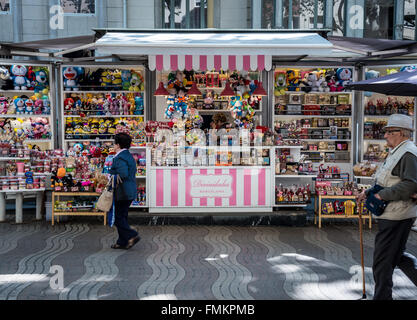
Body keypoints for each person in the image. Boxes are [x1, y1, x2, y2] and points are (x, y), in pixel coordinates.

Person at [357, 114, 417, 300]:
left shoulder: (408, 153)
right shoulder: (398, 150)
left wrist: (382, 194)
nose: (385, 136)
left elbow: (410, 184)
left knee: (382, 261)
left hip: (398, 214)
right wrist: (369, 192)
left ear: (402, 133)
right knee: (395, 256)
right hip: (393, 213)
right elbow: (388, 179)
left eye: (389, 132)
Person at [109, 132, 140, 250]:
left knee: (118, 218)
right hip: (129, 190)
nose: (114, 145)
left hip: (123, 192)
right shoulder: (128, 155)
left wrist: (110, 177)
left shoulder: (120, 157)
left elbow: (123, 174)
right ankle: (122, 242)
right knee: (122, 216)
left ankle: (132, 235)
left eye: (115, 143)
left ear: (118, 144)